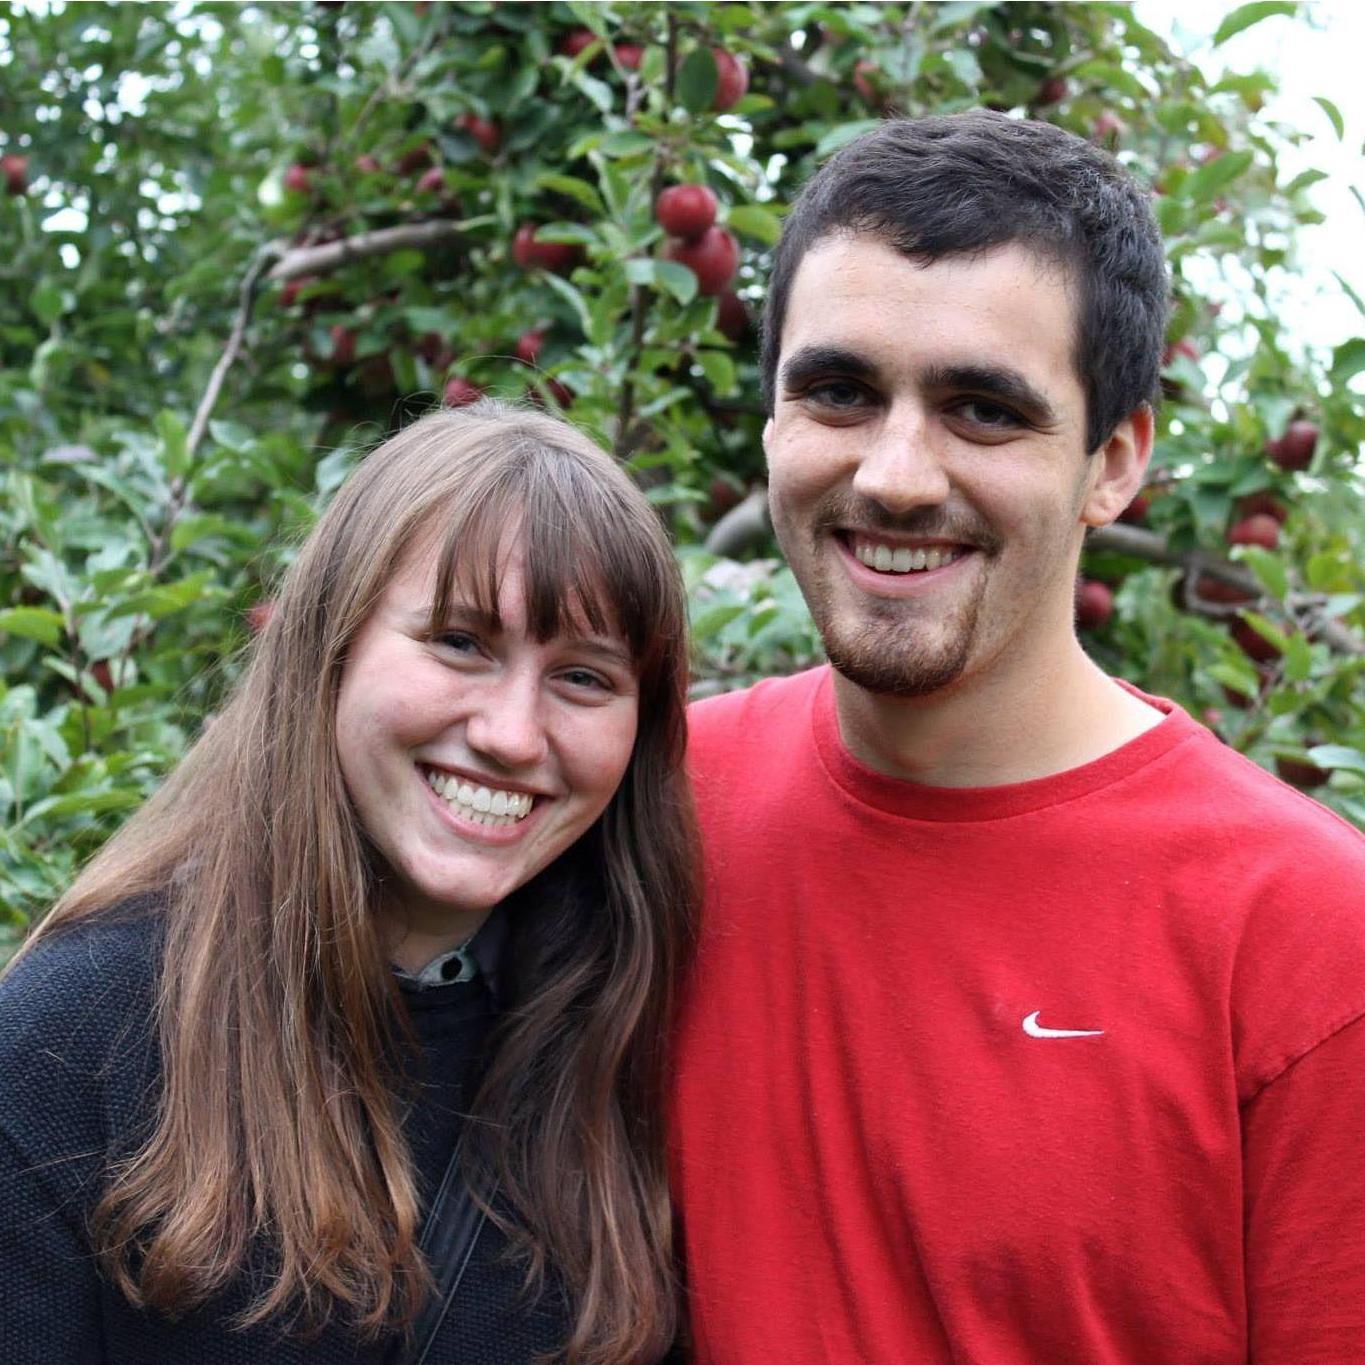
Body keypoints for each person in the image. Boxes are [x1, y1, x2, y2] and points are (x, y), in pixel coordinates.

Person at [669, 110, 1365, 1363]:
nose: (894, 473)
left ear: (1116, 461)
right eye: (838, 390)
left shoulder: (1308, 946)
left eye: (983, 410)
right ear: (769, 419)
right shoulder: (646, 805)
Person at [0, 402, 696, 1365]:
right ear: (329, 646)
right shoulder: (72, 1041)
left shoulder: (632, 1039)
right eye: (460, 641)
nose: (510, 733)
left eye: (583, 677)